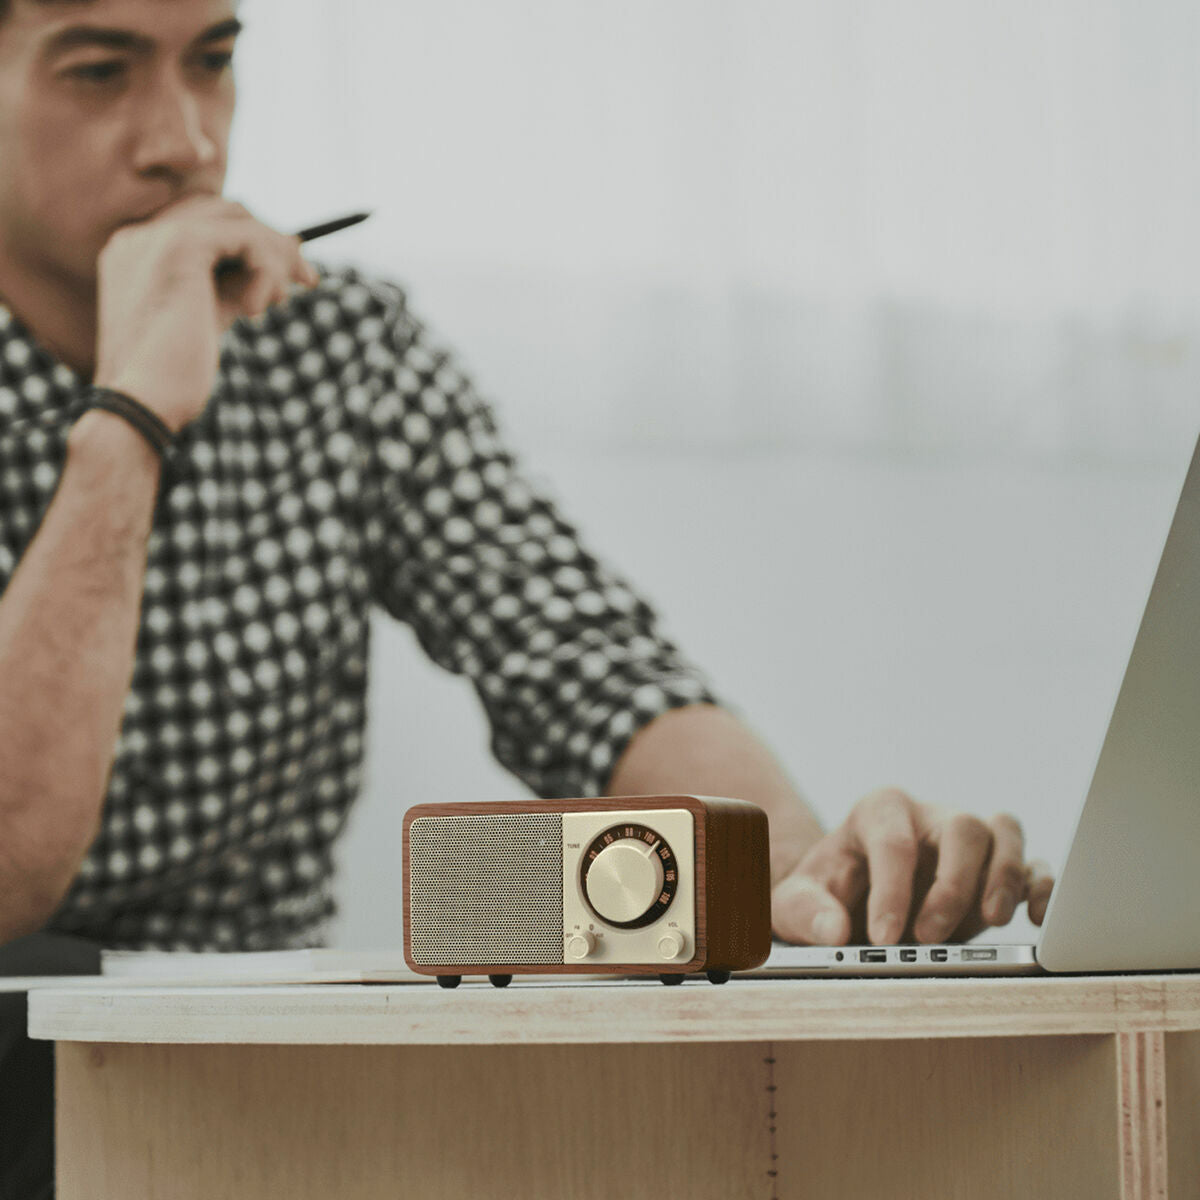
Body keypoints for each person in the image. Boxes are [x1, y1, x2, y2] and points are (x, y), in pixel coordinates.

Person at [0, 0, 1054, 1193]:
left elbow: (580, 660)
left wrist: (802, 872)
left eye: (214, 62)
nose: (186, 143)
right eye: (99, 72)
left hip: (254, 1075)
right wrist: (131, 416)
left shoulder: (336, 343)